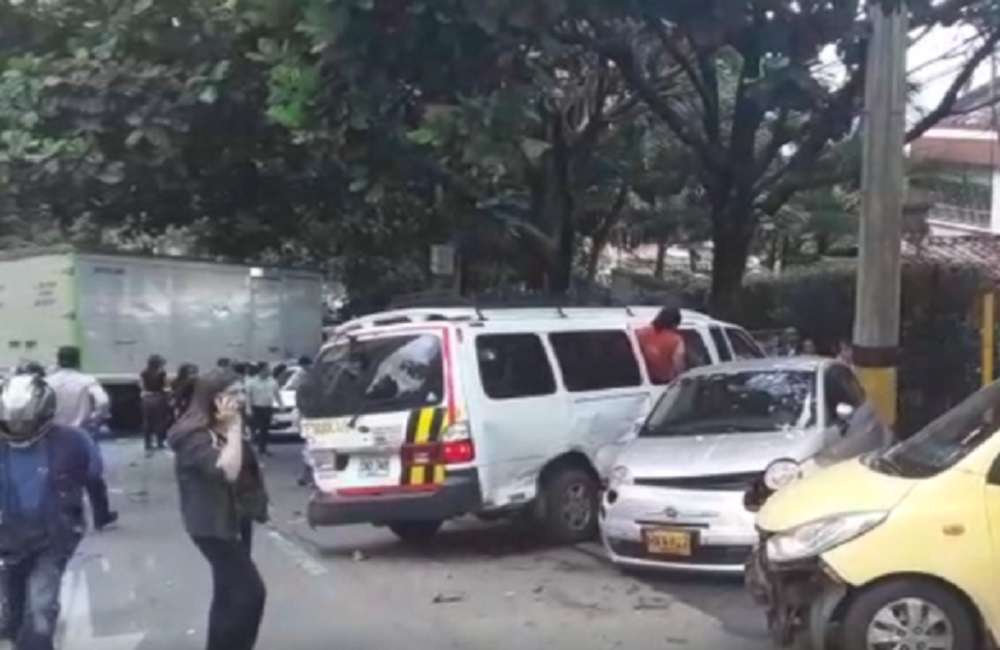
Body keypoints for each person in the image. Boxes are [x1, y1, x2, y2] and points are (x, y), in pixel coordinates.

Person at [168, 370, 268, 650]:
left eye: (241, 392)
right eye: (233, 393)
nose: (240, 399)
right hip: (213, 525)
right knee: (250, 593)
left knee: (228, 592)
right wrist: (235, 428)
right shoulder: (193, 436)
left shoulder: (221, 427)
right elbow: (227, 472)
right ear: (213, 399)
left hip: (236, 518)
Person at [0, 373, 92, 650]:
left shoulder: (73, 441)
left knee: (41, 607)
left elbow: (92, 475)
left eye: (24, 423)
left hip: (52, 537)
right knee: (11, 609)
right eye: (10, 423)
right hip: (7, 538)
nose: (17, 429)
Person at [46, 346, 118, 531]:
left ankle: (64, 517)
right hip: (81, 433)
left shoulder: (48, 382)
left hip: (53, 434)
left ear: (59, 360)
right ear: (77, 360)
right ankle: (101, 517)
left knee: (55, 475)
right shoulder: (87, 381)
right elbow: (102, 401)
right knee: (92, 475)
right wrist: (96, 417)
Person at [636, 306, 687, 384]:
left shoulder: (642, 333)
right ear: (674, 323)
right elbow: (678, 363)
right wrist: (683, 380)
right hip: (665, 382)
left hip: (644, 377)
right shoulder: (676, 340)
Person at [246, 364, 281, 456]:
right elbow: (248, 397)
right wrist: (248, 408)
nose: (269, 371)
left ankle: (262, 448)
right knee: (255, 428)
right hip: (256, 408)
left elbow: (277, 394)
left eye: (269, 370)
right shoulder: (252, 382)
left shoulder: (272, 381)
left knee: (265, 429)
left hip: (268, 408)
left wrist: (281, 404)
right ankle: (250, 447)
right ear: (261, 371)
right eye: (266, 370)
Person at [140, 355, 171, 452]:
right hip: (158, 398)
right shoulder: (162, 373)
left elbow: (141, 385)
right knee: (160, 421)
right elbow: (166, 386)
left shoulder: (143, 373)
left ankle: (147, 443)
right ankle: (160, 442)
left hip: (147, 399)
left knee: (147, 421)